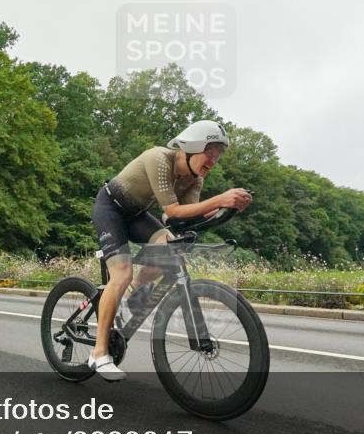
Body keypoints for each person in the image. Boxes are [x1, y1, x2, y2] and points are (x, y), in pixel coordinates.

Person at [89, 120, 252, 381]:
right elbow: (172, 211)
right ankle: (98, 353)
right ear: (192, 147)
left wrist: (226, 208)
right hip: (110, 208)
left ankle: (133, 297)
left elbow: (184, 217)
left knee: (171, 250)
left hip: (137, 214)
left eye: (217, 157)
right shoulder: (158, 158)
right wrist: (221, 198)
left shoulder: (194, 179)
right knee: (121, 274)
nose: (213, 162)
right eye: (209, 154)